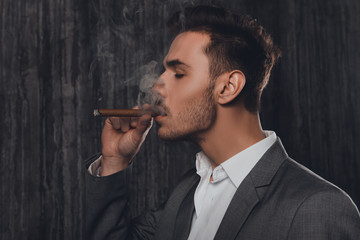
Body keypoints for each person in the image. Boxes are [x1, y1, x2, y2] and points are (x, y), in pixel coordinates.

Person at [85, 5, 360, 240]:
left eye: (178, 73)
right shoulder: (185, 193)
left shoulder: (318, 207)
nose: (157, 86)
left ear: (228, 87)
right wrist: (114, 162)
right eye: (163, 71)